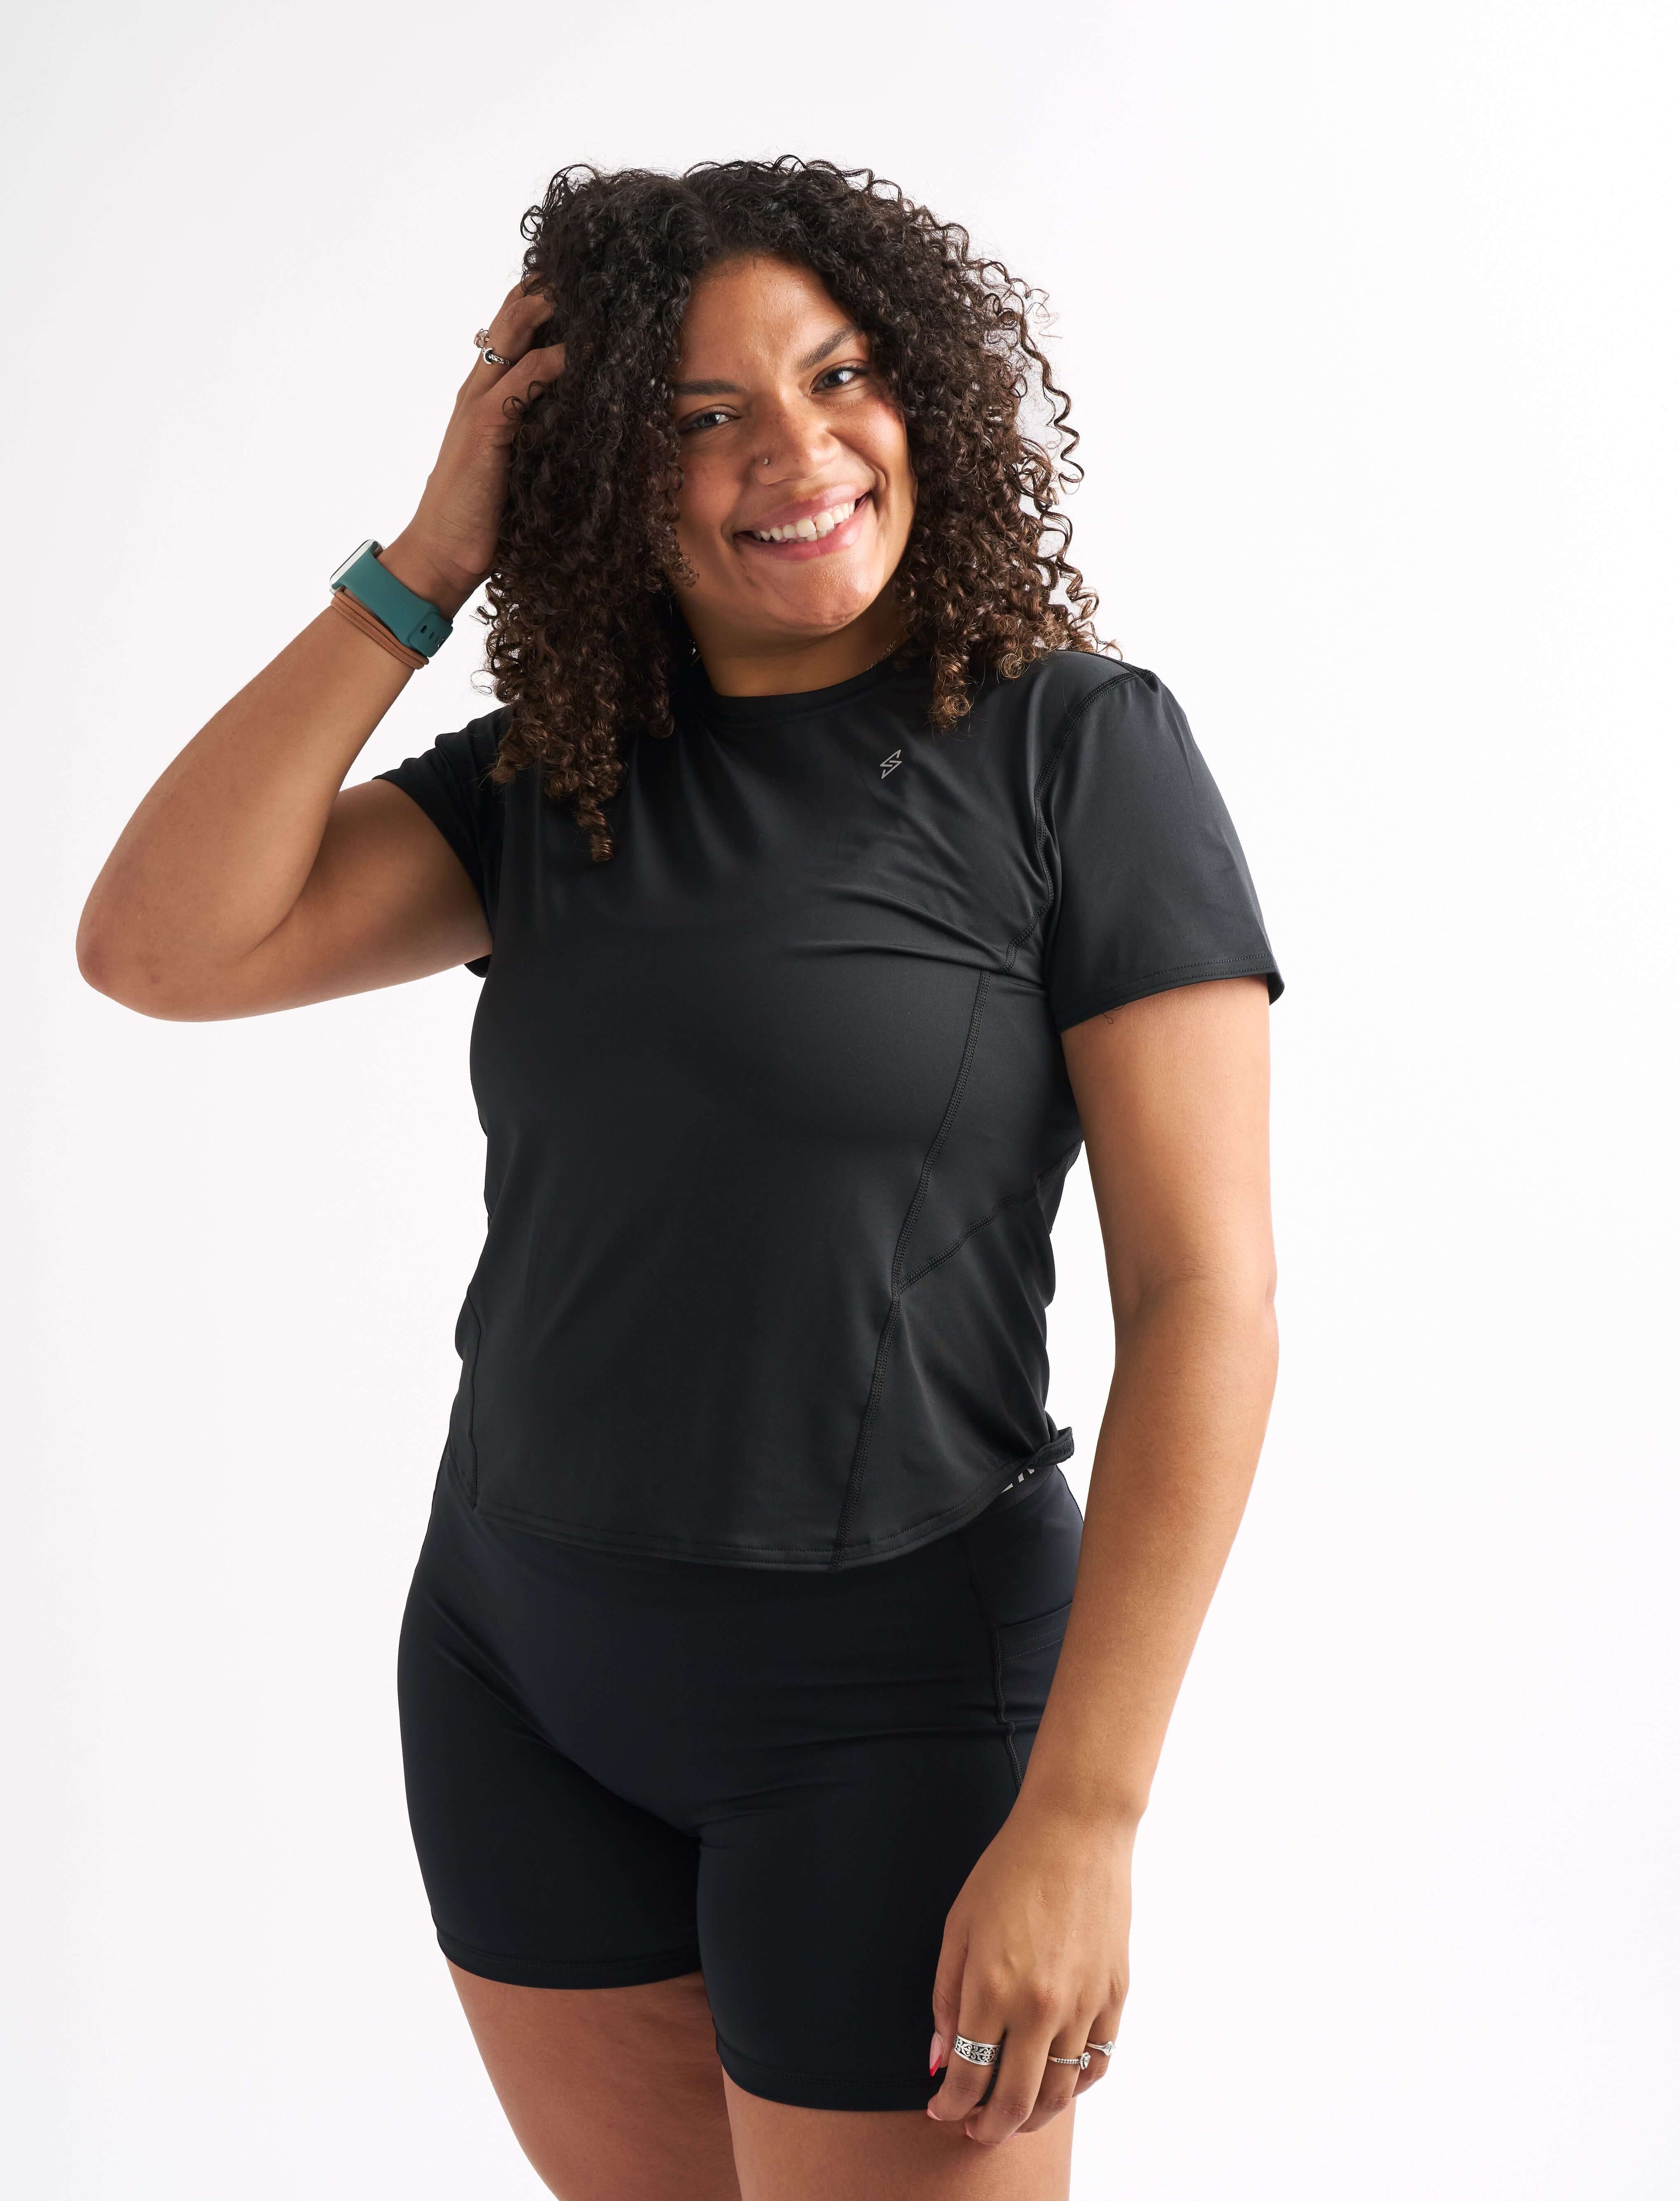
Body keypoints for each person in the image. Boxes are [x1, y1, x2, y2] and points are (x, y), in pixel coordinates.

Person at [77, 158, 1282, 2201]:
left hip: (891, 1710)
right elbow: (160, 948)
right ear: (599, 475)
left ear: (926, 396)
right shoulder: (557, 774)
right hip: (514, 1660)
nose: (796, 454)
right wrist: (427, 560)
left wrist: (1082, 1814)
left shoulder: (1073, 751)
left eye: (836, 378)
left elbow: (1204, 1303)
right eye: (701, 414)